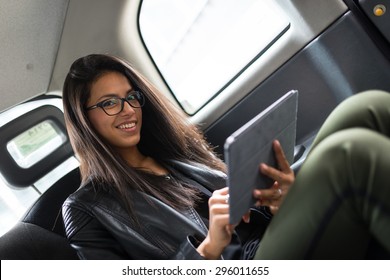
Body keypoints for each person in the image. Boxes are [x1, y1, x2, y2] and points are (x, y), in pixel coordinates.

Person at [61, 53, 291, 260]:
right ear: (84, 119)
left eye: (131, 97)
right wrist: (209, 247)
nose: (129, 109)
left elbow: (255, 220)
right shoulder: (85, 208)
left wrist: (279, 204)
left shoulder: (176, 152)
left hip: (277, 241)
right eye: (109, 103)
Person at [255, 89, 390, 259]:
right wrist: (211, 250)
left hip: (265, 232)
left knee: (365, 109)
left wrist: (276, 201)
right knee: (346, 158)